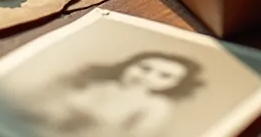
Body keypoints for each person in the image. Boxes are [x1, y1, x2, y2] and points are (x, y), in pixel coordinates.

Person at [36, 52, 203, 137]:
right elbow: (51, 104)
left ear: (176, 84)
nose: (148, 77)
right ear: (128, 64)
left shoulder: (155, 105)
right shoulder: (98, 83)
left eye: (165, 76)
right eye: (144, 68)